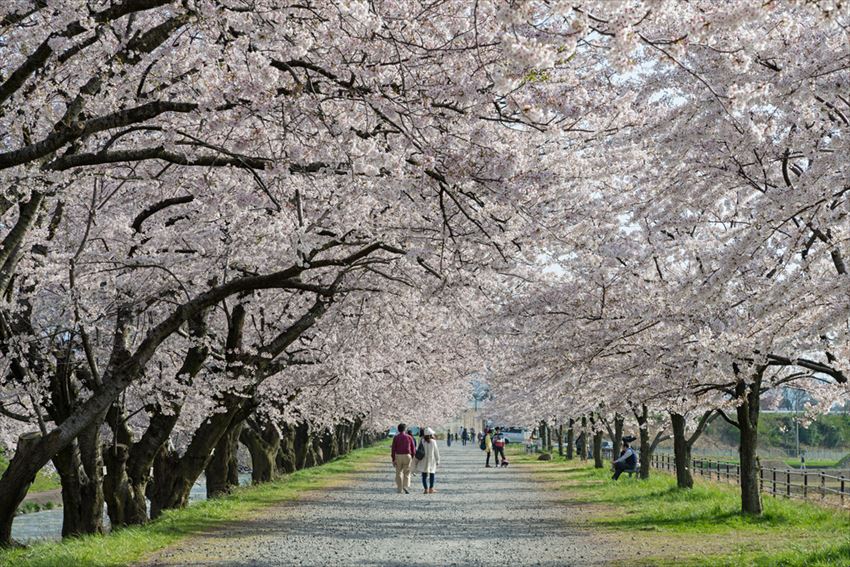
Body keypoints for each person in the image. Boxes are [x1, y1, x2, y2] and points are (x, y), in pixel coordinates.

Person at [414, 427, 441, 494]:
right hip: (431, 460)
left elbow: (418, 450)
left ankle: (426, 489)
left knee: (424, 475)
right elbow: (436, 451)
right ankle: (431, 488)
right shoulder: (433, 442)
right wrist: (438, 460)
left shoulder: (422, 441)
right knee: (432, 474)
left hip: (423, 459)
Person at [391, 423, 416, 493]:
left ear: (398, 429)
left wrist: (393, 458)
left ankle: (399, 488)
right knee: (407, 472)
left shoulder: (396, 437)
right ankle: (405, 486)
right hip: (407, 455)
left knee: (398, 472)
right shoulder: (409, 437)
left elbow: (393, 449)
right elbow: (413, 448)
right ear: (405, 429)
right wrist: (413, 457)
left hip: (398, 455)